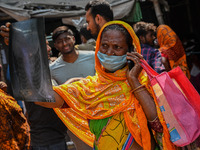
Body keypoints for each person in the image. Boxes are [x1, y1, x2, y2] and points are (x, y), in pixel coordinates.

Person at [35, 21, 176, 150]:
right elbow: (41, 97)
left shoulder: (144, 83)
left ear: (130, 50)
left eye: (117, 47)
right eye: (104, 46)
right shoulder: (90, 87)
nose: (109, 52)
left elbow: (157, 124)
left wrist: (133, 80)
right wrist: (25, 52)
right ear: (97, 47)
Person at [0, 24, 69, 150]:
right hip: (47, 143)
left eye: (48, 44)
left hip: (52, 139)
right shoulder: (29, 73)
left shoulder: (45, 68)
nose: (49, 49)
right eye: (45, 45)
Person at [50, 25, 95, 150]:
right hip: (76, 122)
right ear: (55, 45)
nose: (64, 44)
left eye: (67, 39)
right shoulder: (53, 69)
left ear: (73, 39)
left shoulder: (93, 56)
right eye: (59, 42)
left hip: (100, 114)